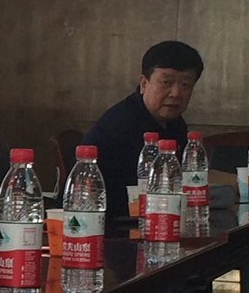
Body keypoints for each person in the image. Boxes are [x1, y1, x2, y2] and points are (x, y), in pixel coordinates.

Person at [82, 40, 214, 219]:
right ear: (144, 83)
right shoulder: (122, 124)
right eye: (166, 82)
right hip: (111, 223)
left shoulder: (173, 122)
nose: (176, 93)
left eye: (185, 85)